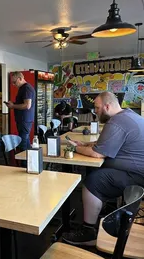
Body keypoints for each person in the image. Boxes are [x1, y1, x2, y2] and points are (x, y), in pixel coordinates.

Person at [62, 91, 144, 246]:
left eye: (97, 107)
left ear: (107, 106)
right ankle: (104, 210)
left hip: (136, 177)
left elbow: (98, 154)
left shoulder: (116, 122)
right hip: (137, 172)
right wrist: (85, 145)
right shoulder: (127, 115)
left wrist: (75, 149)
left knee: (94, 181)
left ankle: (89, 232)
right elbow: (105, 144)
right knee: (95, 171)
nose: (95, 111)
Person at [5, 71, 36, 151]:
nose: (13, 84)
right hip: (24, 119)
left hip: (24, 119)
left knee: (23, 143)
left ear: (20, 78)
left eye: (14, 82)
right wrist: (14, 104)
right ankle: (30, 161)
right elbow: (24, 103)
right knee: (26, 141)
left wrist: (13, 106)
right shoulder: (23, 88)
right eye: (12, 83)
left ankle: (24, 162)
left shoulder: (26, 88)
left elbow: (27, 105)